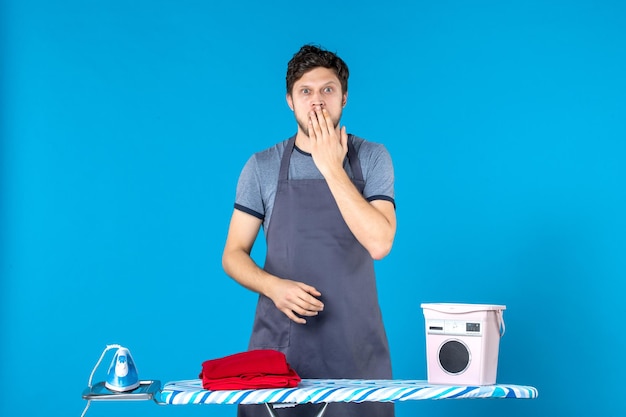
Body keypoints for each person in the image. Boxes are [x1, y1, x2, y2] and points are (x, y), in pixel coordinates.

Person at [222, 44, 397, 417]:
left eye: (327, 90)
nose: (317, 101)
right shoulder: (262, 166)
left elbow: (380, 243)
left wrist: (331, 165)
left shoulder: (371, 158)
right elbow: (233, 253)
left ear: (344, 98)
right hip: (280, 351)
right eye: (306, 91)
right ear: (290, 100)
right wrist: (273, 286)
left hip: (355, 351)